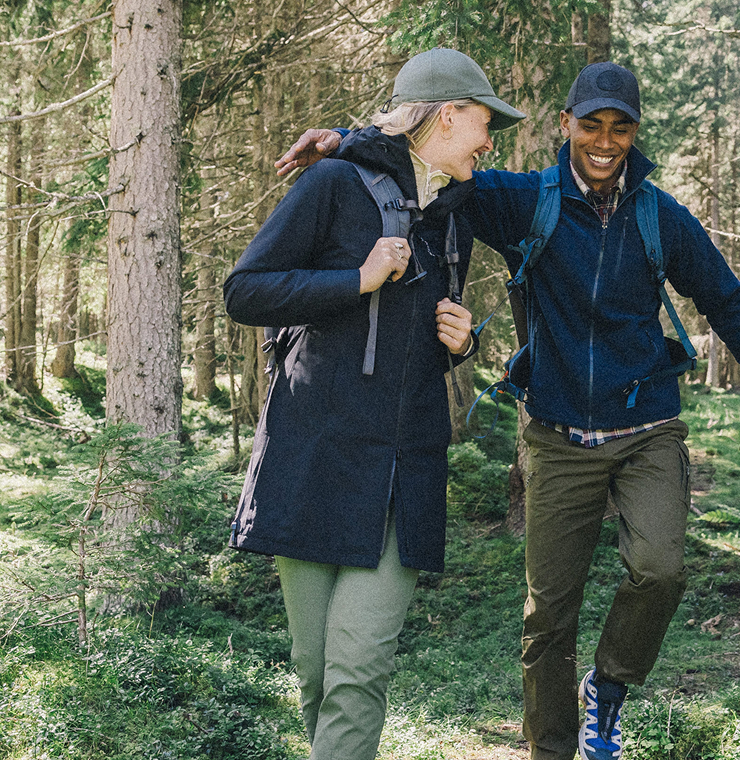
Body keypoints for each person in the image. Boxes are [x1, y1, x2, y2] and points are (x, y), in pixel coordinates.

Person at [276, 62, 740, 760]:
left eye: (620, 128)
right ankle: (550, 750)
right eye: (592, 125)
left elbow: (724, 299)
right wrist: (345, 140)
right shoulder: (525, 201)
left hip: (647, 426)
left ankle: (607, 687)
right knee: (548, 613)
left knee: (660, 569)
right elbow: (423, 155)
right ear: (567, 125)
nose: (605, 142)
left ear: (635, 133)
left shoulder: (660, 217)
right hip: (555, 433)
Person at [224, 47, 524, 760]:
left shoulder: (455, 213)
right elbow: (245, 292)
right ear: (447, 116)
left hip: (401, 469)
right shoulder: (332, 184)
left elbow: (418, 333)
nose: (489, 143)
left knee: (357, 671)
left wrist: (461, 343)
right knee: (316, 672)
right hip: (310, 458)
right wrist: (355, 281)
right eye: (485, 123)